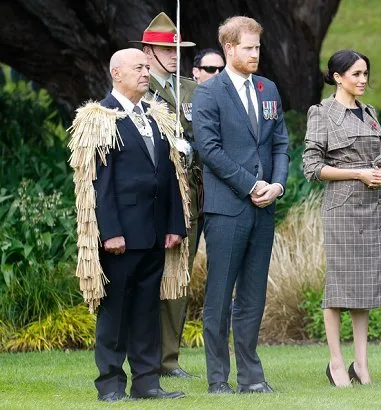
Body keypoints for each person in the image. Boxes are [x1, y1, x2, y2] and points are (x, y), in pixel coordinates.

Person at [68, 48, 188, 401]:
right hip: (122, 233)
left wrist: (174, 224)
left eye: (147, 67)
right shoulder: (102, 117)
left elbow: (168, 174)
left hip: (154, 232)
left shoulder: (154, 115)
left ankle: (147, 383)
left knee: (148, 310)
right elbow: (98, 182)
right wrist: (111, 231)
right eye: (139, 67)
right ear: (116, 73)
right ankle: (110, 384)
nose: (145, 73)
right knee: (116, 310)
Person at [192, 16, 289, 394]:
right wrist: (251, 185)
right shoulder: (209, 92)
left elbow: (280, 142)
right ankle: (218, 378)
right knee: (219, 296)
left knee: (253, 296)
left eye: (258, 47)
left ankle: (251, 377)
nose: (255, 54)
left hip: (264, 208)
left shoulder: (268, 89)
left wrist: (277, 185)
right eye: (248, 47)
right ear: (229, 48)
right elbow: (209, 150)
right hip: (227, 208)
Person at [303, 50, 381, 387]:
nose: (363, 79)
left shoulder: (369, 113)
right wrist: (358, 174)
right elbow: (312, 167)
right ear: (338, 77)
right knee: (339, 289)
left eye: (365, 73)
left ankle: (361, 363)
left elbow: (379, 157)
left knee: (364, 288)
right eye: (356, 74)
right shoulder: (322, 113)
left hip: (372, 209)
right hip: (342, 210)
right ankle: (336, 362)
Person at [131, 12, 201, 379]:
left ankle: (168, 360)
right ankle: (144, 356)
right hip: (153, 197)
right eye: (165, 48)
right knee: (148, 277)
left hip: (191, 195)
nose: (174, 54)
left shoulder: (190, 89)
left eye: (177, 48)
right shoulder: (139, 90)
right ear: (147, 51)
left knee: (178, 278)